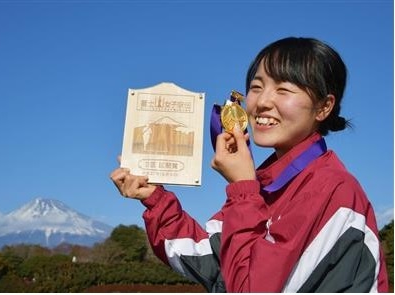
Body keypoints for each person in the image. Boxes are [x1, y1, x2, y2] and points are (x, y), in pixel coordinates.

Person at [110, 37, 389, 292]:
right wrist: (156, 200)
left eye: (284, 89)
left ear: (323, 107)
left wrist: (242, 188)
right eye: (256, 87)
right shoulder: (267, 185)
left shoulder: (332, 190)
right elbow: (210, 259)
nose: (262, 102)